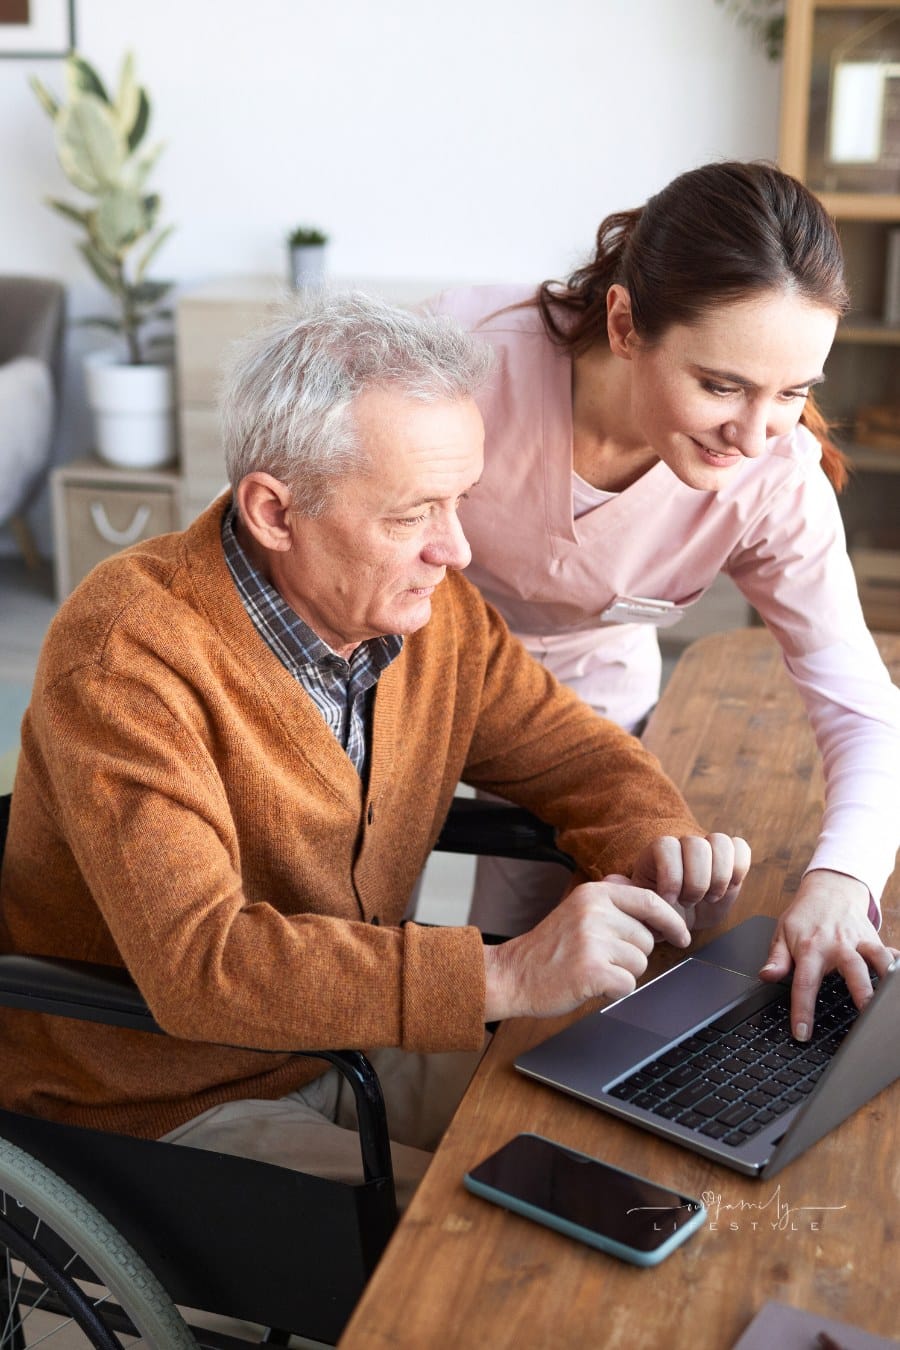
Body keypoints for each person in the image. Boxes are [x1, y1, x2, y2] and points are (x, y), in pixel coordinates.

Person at [0, 292, 749, 1207]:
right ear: (276, 513)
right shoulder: (128, 650)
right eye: (413, 514)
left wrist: (656, 834)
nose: (458, 548)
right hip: (163, 1096)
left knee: (640, 1138)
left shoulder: (430, 615)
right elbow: (205, 966)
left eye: (461, 500)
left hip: (347, 1041)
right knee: (505, 1240)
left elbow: (569, 753)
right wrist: (503, 972)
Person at [425, 160, 900, 1044]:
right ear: (625, 324)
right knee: (373, 919)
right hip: (410, 669)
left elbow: (863, 708)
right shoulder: (466, 359)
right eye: (722, 385)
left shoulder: (774, 480)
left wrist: (843, 880)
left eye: (792, 393)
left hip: (584, 712)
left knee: (545, 960)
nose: (756, 434)